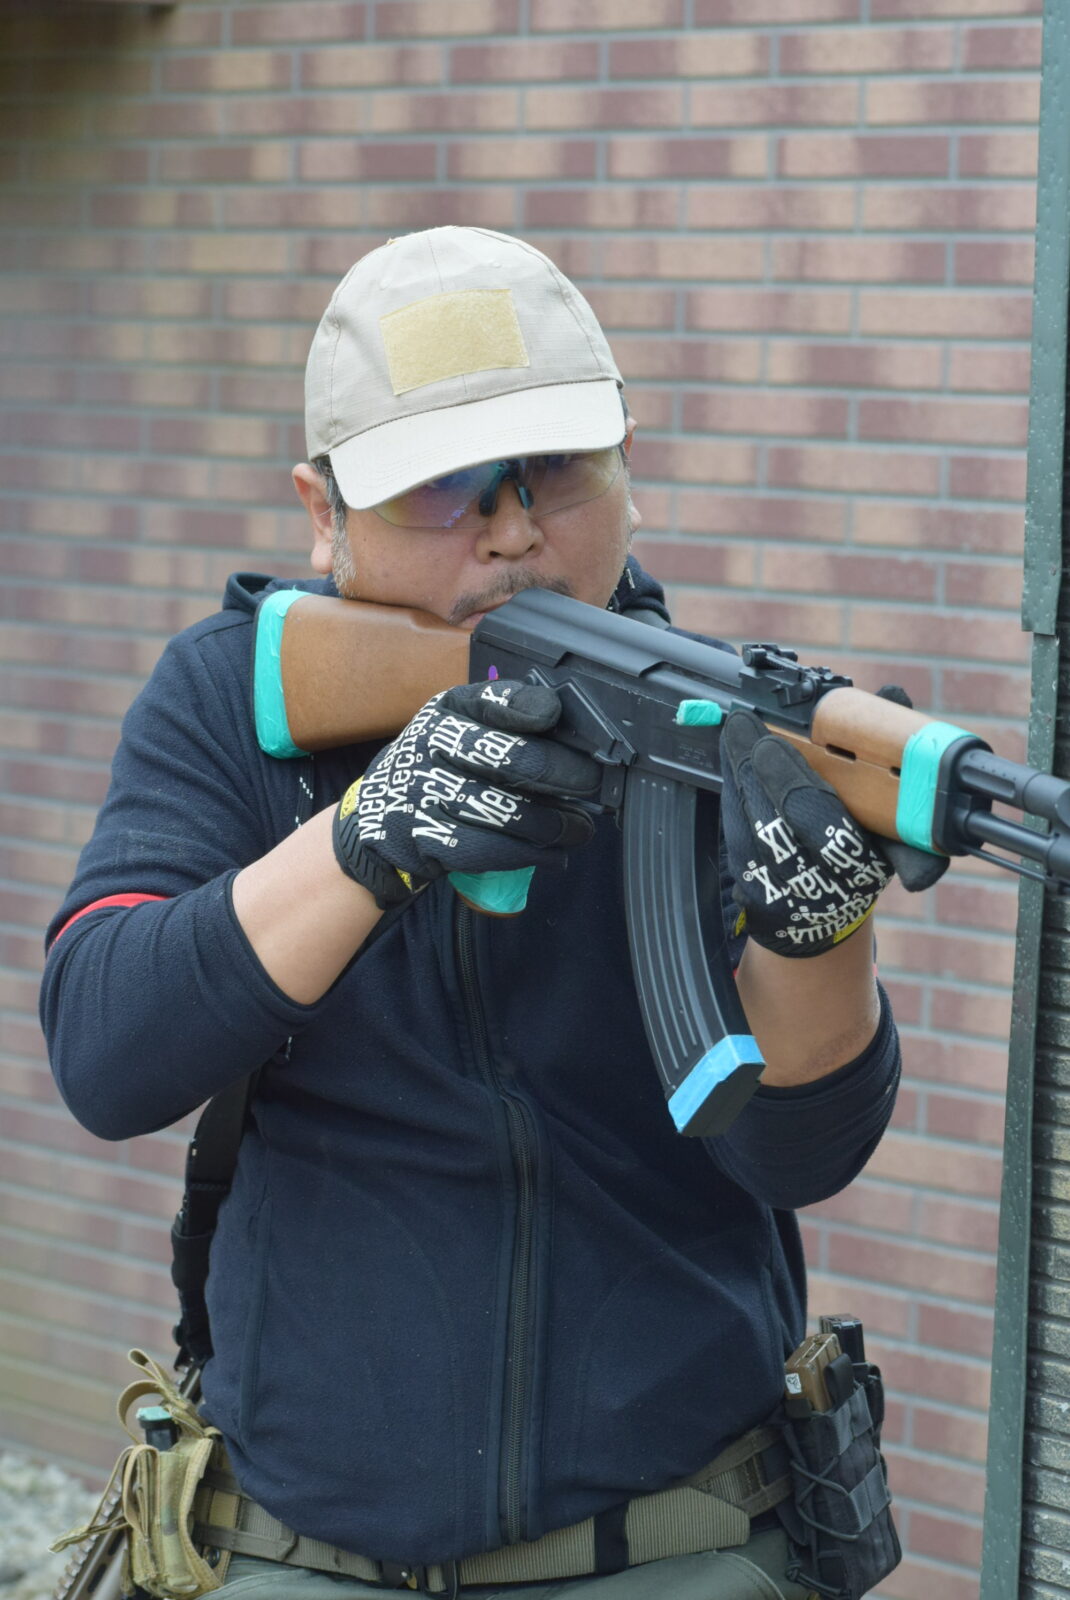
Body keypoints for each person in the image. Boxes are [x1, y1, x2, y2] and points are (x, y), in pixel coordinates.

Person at [41, 227, 918, 1600]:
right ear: (322, 510)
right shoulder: (234, 700)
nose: (510, 526)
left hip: (679, 1545)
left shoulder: (722, 735)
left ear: (628, 462)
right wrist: (366, 837)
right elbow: (108, 1051)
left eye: (555, 469)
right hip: (298, 1554)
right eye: (440, 485)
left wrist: (823, 937)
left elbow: (800, 1152)